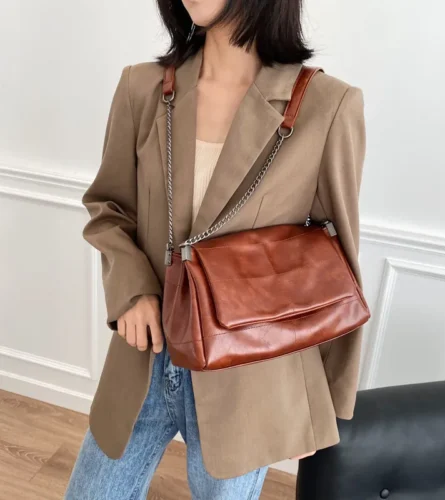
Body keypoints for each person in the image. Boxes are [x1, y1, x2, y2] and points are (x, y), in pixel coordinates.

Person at [65, 0, 367, 498]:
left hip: (247, 379)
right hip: (145, 354)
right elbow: (109, 207)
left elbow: (338, 263)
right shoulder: (143, 88)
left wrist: (322, 408)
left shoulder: (327, 106)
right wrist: (131, 290)